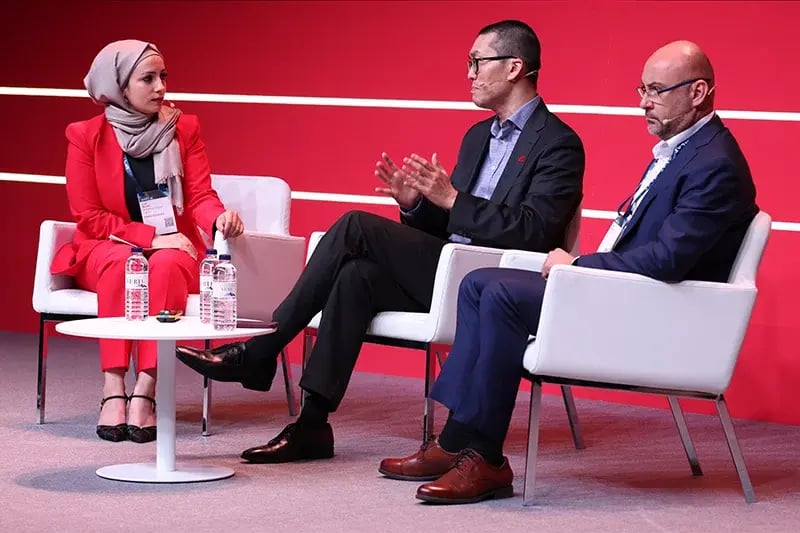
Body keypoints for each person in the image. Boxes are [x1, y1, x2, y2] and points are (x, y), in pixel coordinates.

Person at [176, 20, 585, 463]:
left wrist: (451, 198)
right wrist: (417, 207)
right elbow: (449, 228)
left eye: (476, 62)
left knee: (355, 225)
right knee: (356, 276)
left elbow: (535, 232)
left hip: (494, 281)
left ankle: (265, 347)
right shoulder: (476, 136)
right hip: (450, 267)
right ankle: (312, 424)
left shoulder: (558, 144)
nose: (468, 73)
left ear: (513, 68)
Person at [378, 40, 759, 505]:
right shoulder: (683, 152)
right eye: (643, 88)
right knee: (479, 283)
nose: (643, 101)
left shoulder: (715, 164)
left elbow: (667, 260)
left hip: (656, 312)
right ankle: (459, 439)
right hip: (627, 292)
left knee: (500, 295)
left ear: (698, 92)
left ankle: (487, 459)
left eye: (657, 91)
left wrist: (579, 265)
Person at [50, 40, 244, 443]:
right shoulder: (85, 136)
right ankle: (112, 387)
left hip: (173, 250)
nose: (160, 87)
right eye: (148, 78)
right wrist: (153, 236)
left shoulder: (183, 128)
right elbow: (89, 217)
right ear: (119, 87)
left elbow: (201, 198)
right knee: (125, 262)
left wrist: (218, 218)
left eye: (163, 77)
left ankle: (146, 390)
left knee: (168, 264)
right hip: (106, 245)